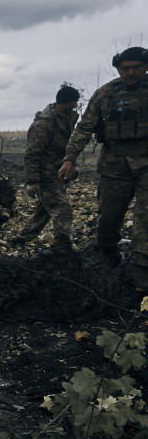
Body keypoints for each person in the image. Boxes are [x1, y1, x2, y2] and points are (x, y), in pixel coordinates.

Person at [59, 47, 148, 287]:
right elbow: (84, 128)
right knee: (108, 218)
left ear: (145, 66)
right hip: (114, 167)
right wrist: (69, 158)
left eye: (135, 68)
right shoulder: (106, 94)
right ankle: (108, 256)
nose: (129, 73)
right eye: (124, 69)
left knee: (145, 220)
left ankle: (141, 273)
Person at [11, 85, 80, 250]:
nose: (76, 107)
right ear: (64, 103)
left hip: (57, 173)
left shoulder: (65, 117)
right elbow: (32, 155)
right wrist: (32, 181)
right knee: (63, 209)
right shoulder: (43, 125)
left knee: (43, 210)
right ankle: (63, 247)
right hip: (46, 176)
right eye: (73, 103)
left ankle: (21, 239)